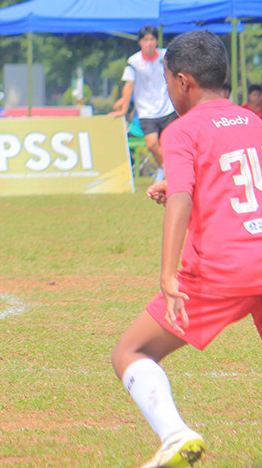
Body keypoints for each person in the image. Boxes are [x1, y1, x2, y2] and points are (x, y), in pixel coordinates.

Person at [111, 30, 262, 468]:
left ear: (183, 82)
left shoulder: (180, 131)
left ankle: (175, 435)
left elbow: (182, 196)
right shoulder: (253, 121)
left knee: (130, 352)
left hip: (222, 270)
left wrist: (168, 273)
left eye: (167, 82)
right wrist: (177, 184)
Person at [111, 26, 178, 181]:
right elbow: (128, 85)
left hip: (167, 108)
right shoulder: (134, 61)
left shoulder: (165, 55)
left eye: (152, 39)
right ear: (140, 42)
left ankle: (169, 172)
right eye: (145, 40)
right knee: (151, 143)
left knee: (172, 144)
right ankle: (165, 168)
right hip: (146, 111)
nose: (149, 43)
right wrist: (124, 109)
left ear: (156, 41)